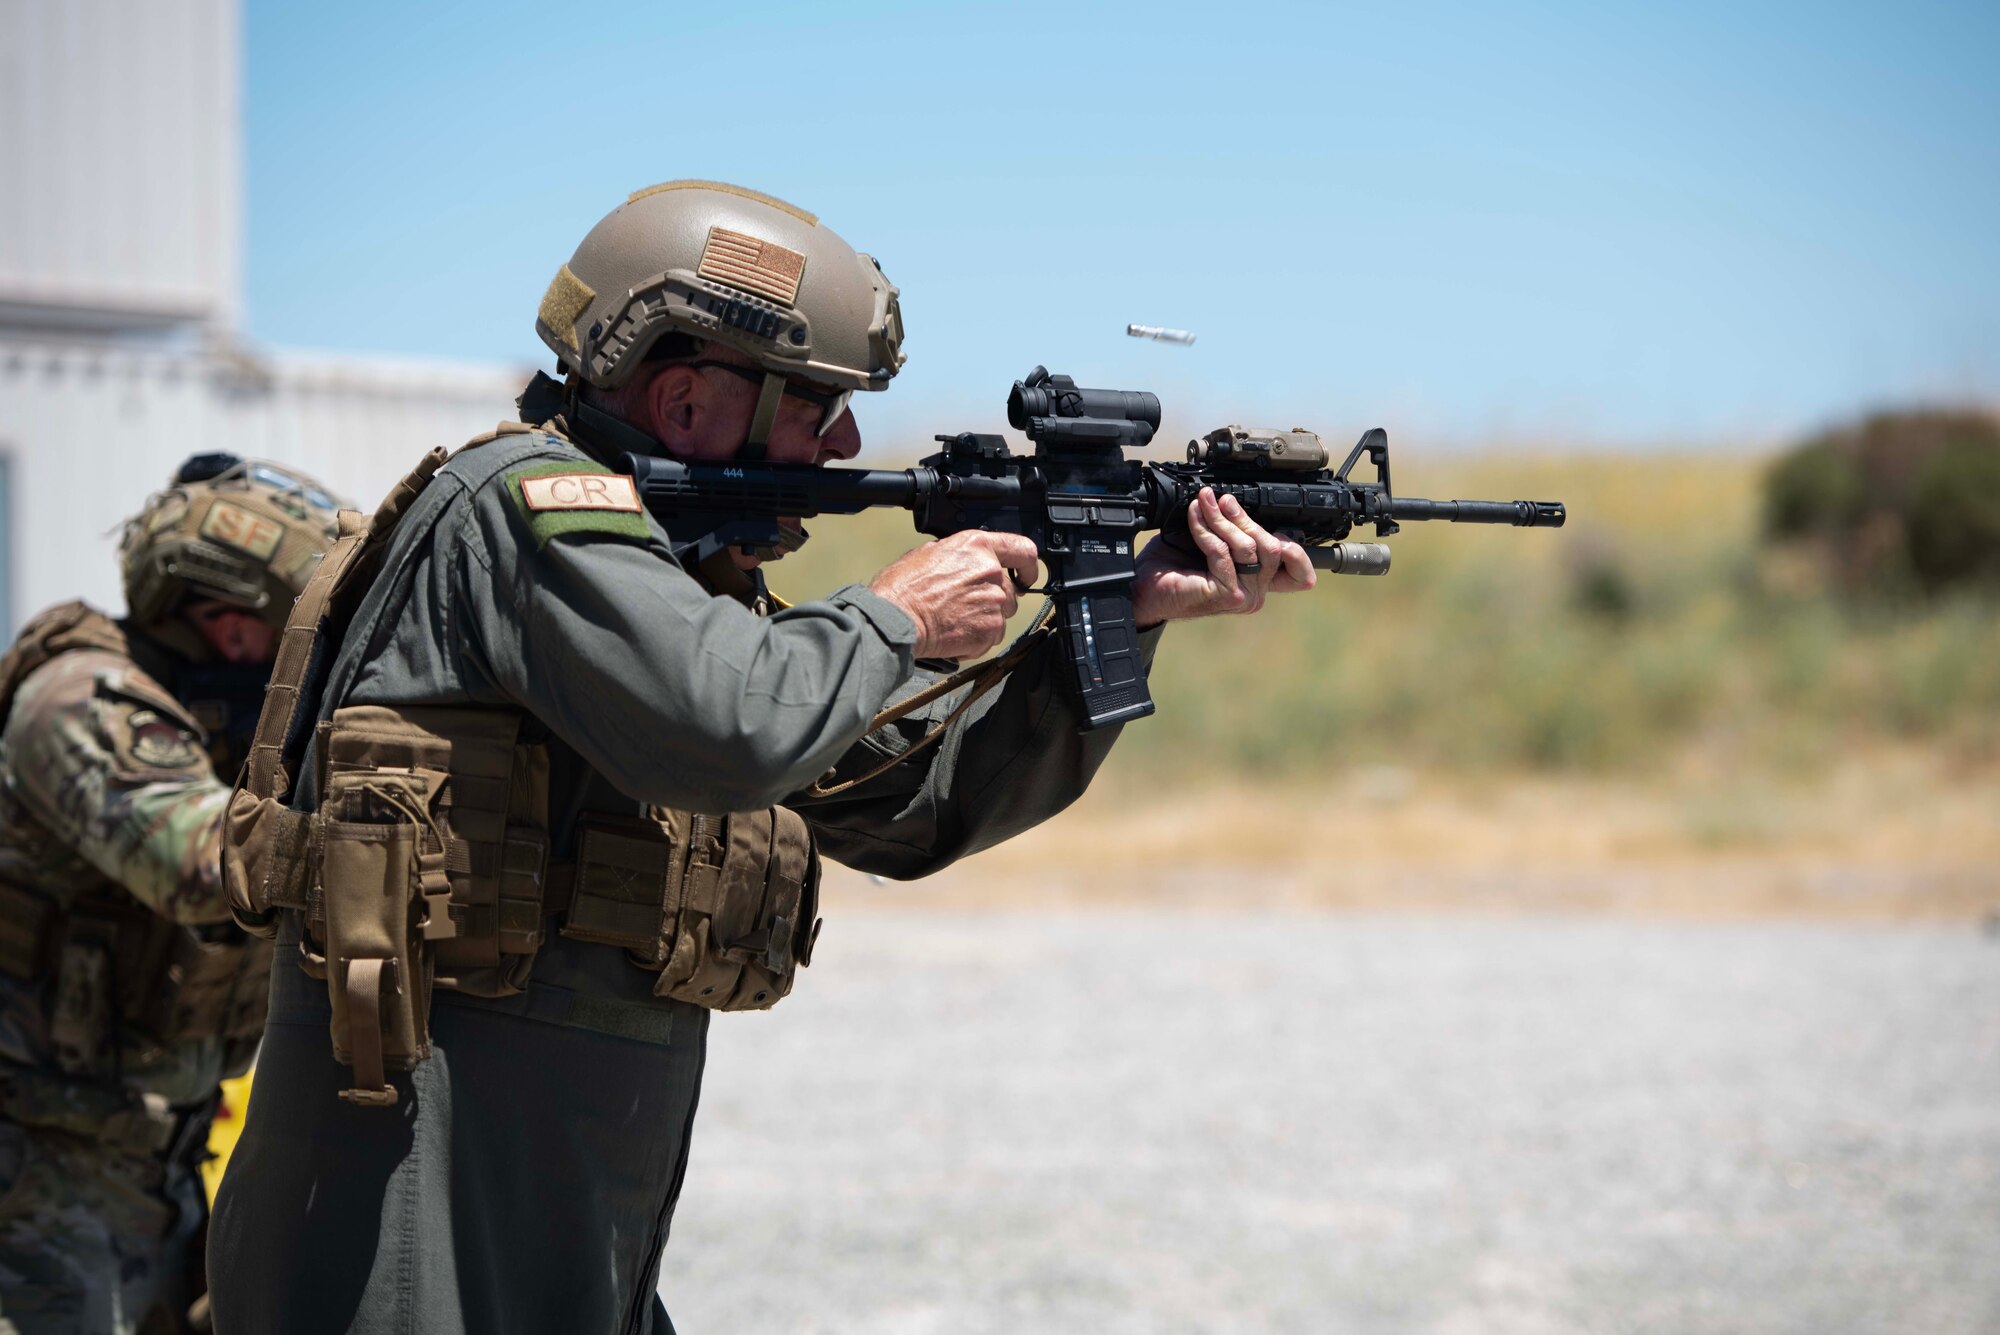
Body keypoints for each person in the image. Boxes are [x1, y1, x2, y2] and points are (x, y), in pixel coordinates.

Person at [207, 180, 1317, 1335]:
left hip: (559, 1213)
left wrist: (1125, 616)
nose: (841, 445)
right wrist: (893, 618)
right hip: (413, 1211)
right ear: (685, 401)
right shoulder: (529, 510)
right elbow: (728, 732)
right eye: (818, 405)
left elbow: (909, 811)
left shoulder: (683, 585)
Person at [0, 455, 345, 1334]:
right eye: (305, 634)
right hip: (43, 1180)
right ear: (233, 630)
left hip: (154, 1164)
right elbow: (206, 864)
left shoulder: (224, 728)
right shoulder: (78, 700)